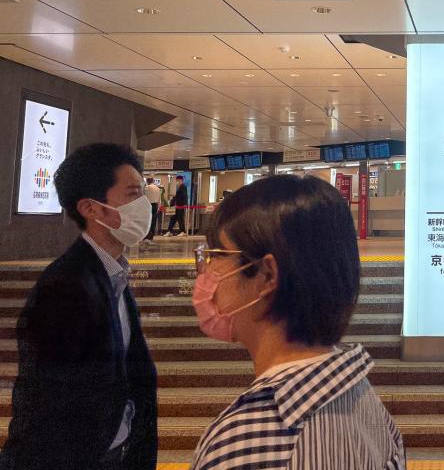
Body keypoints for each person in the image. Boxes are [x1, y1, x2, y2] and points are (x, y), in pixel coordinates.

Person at [190, 174, 404, 469]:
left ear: (266, 275)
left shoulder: (245, 441)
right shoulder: (365, 403)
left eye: (217, 254)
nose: (207, 271)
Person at [0, 143, 158, 470]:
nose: (143, 205)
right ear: (91, 208)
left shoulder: (113, 275)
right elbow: (46, 404)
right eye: (131, 194)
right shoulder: (64, 287)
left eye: (142, 193)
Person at [144, 177, 161, 244]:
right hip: (155, 206)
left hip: (148, 205)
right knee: (153, 222)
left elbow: (144, 197)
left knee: (147, 222)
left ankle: (146, 237)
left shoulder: (146, 188)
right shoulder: (157, 188)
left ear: (147, 181)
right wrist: (158, 208)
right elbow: (159, 200)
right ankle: (151, 238)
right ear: (153, 181)